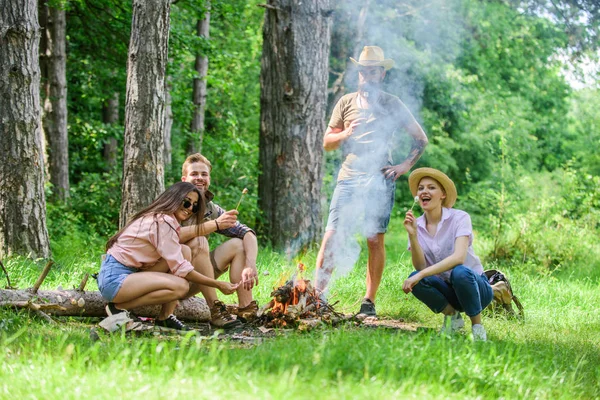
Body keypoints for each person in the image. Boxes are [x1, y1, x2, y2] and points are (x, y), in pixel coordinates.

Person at [315, 45, 428, 316]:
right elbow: (327, 143)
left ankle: (369, 302)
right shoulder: (345, 102)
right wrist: (345, 135)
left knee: (374, 240)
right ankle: (317, 297)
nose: (368, 76)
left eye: (374, 72)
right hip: (349, 179)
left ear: (382, 75)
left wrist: (404, 166)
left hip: (379, 181)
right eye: (364, 72)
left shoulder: (393, 104)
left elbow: (420, 138)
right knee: (331, 237)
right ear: (359, 74)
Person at [97, 182, 239, 332]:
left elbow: (178, 261)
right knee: (181, 286)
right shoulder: (163, 221)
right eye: (186, 202)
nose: (190, 208)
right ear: (174, 198)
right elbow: (182, 270)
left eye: (195, 206)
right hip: (114, 280)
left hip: (130, 273)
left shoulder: (166, 220)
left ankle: (166, 317)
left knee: (184, 250)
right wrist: (217, 284)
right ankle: (117, 307)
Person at [402, 168, 493, 341]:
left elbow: (459, 258)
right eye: (421, 188)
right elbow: (421, 267)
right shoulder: (417, 225)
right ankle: (453, 318)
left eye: (431, 187)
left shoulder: (460, 218)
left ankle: (478, 329)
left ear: (443, 194)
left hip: (475, 288)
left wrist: (421, 274)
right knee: (416, 278)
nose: (424, 192)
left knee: (459, 271)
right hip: (449, 292)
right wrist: (413, 235)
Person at [180, 153, 259, 328]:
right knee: (199, 241)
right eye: (194, 174)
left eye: (204, 174)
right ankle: (215, 309)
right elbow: (172, 235)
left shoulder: (211, 208)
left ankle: (246, 310)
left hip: (196, 278)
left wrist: (250, 264)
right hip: (171, 278)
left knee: (239, 244)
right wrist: (215, 225)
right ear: (184, 179)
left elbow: (247, 232)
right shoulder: (174, 202)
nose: (200, 178)